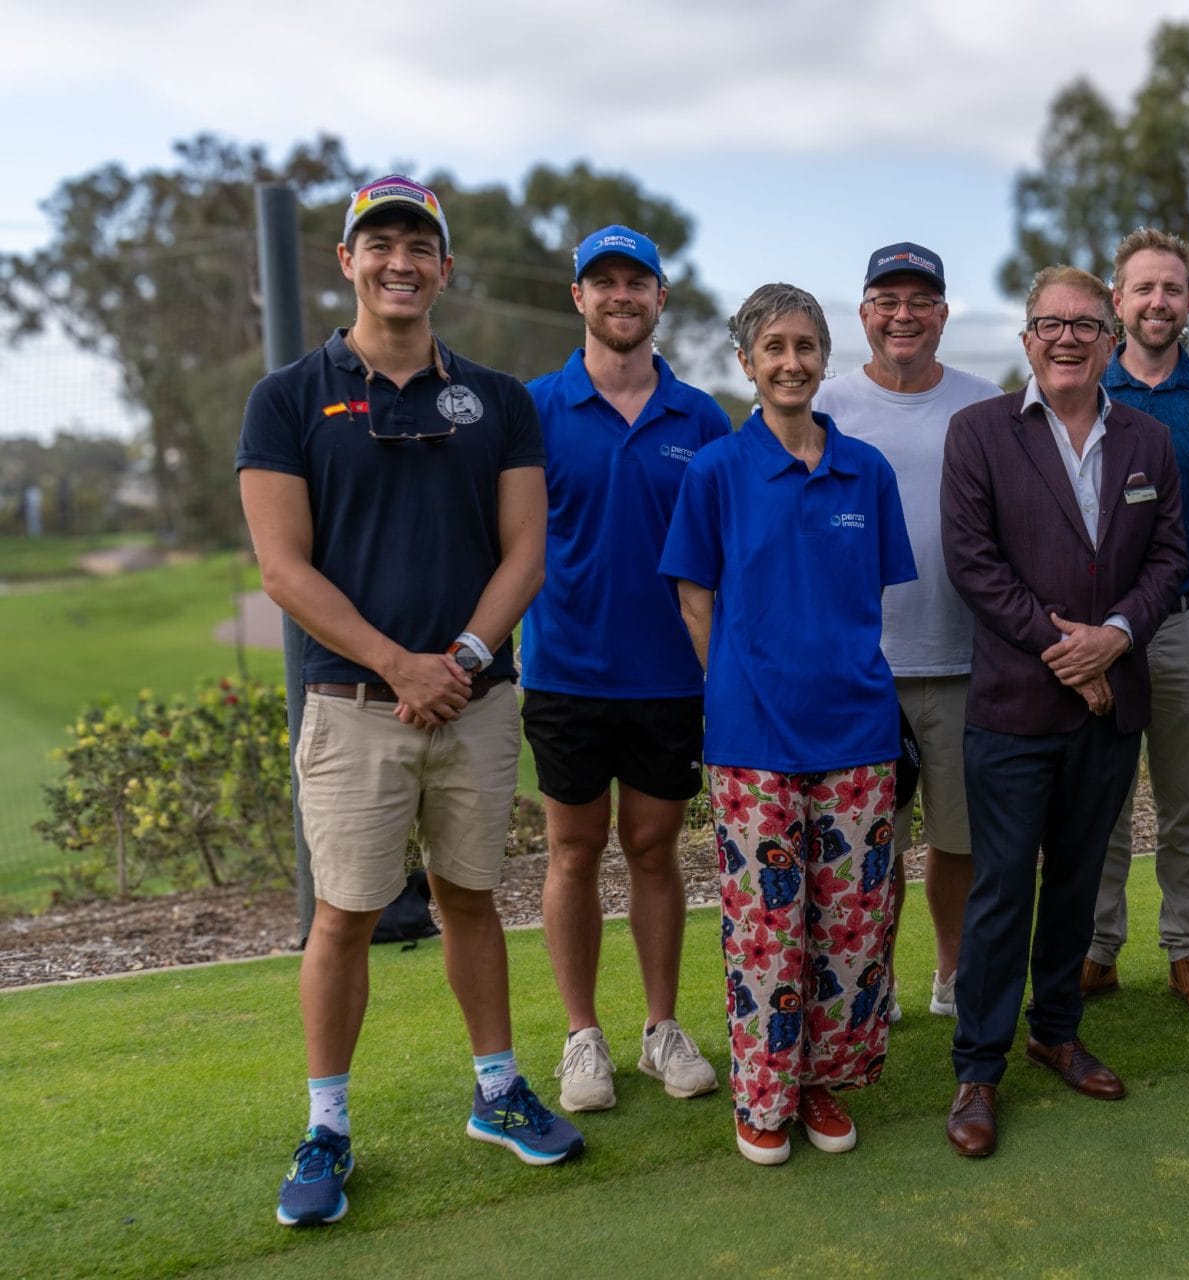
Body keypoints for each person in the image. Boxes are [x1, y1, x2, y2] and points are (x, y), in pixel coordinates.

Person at [239, 175, 578, 1228]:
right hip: (354, 705)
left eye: (418, 245)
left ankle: (496, 1091)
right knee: (341, 916)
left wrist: (464, 655)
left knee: (471, 897)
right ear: (346, 261)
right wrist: (401, 664)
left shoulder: (499, 398)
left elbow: (526, 547)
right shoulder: (288, 396)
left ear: (444, 267)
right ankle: (328, 1125)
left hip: (472, 701)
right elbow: (284, 570)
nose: (399, 260)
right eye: (378, 242)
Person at [660, 283, 915, 1166]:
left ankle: (820, 1082)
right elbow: (697, 600)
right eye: (773, 348)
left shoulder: (866, 473)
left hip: (857, 736)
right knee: (768, 931)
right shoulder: (716, 472)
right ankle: (763, 1094)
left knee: (850, 927)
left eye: (806, 345)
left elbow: (865, 595)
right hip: (753, 743)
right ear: (746, 363)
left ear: (824, 355)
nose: (792, 362)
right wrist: (738, 681)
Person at [941, 265, 1186, 1157]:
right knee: (1003, 890)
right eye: (1053, 324)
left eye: (1087, 325)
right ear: (1028, 339)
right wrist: (1070, 656)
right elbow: (974, 565)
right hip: (1013, 709)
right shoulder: (979, 434)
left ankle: (1056, 1031)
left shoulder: (1149, 443)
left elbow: (1168, 559)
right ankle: (978, 1068)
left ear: (1110, 338)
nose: (1070, 338)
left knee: (1079, 884)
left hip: (1109, 707)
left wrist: (1113, 640)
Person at [521, 226, 728, 1113]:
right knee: (572, 850)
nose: (619, 296)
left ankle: (659, 1029)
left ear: (659, 297)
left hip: (669, 680)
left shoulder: (703, 419)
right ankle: (581, 1037)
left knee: (652, 849)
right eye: (601, 282)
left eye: (634, 282)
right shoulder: (531, 410)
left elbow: (723, 559)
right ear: (578, 297)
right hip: (565, 674)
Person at [815, 242, 1001, 1021]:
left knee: (958, 840)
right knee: (867, 843)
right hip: (861, 666)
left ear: (942, 315)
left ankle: (951, 976)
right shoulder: (822, 402)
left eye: (919, 301)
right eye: (886, 301)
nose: (903, 315)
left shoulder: (985, 401)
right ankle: (872, 976)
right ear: (863, 315)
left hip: (964, 659)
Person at [1082, 228, 1189, 1023]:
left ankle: (1188, 951)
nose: (1157, 302)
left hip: (1187, 621)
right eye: (1142, 288)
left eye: (1171, 289)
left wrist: (1185, 569)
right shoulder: (1083, 385)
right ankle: (1098, 951)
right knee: (1103, 800)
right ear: (1117, 302)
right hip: (1100, 635)